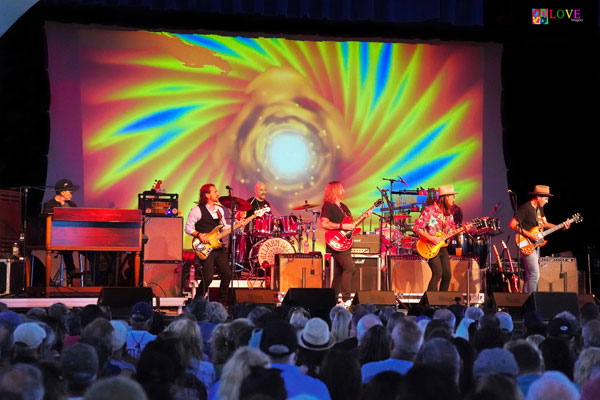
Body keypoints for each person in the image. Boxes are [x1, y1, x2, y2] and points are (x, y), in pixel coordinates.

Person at [509, 185, 570, 293]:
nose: (547, 201)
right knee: (535, 274)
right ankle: (532, 302)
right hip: (525, 242)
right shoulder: (526, 208)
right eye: (546, 198)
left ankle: (526, 301)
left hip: (535, 244)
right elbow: (513, 224)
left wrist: (562, 226)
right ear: (538, 197)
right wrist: (530, 235)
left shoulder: (539, 208)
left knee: (529, 275)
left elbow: (545, 224)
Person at [320, 181, 368, 302]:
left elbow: (351, 226)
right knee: (350, 268)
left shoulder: (344, 207)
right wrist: (341, 226)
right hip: (335, 242)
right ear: (335, 190)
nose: (344, 191)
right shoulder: (328, 206)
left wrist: (364, 217)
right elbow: (324, 223)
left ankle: (331, 298)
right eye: (342, 189)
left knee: (339, 272)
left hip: (345, 242)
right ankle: (347, 298)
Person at [185, 183, 232, 306]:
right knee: (208, 278)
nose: (218, 194)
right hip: (205, 248)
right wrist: (200, 235)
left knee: (227, 274)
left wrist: (236, 224)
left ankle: (222, 304)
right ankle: (197, 304)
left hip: (218, 247)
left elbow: (223, 228)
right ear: (207, 195)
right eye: (215, 191)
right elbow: (188, 228)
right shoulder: (196, 210)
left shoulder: (219, 210)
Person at [413, 185, 459, 292]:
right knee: (437, 273)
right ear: (445, 198)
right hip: (430, 247)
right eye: (452, 196)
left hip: (442, 247)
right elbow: (417, 228)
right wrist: (431, 238)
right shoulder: (429, 211)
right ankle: (429, 302)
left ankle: (441, 302)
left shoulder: (449, 214)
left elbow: (450, 233)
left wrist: (459, 229)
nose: (454, 199)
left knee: (447, 275)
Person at [42, 178, 83, 285]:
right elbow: (47, 223)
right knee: (66, 245)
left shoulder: (72, 205)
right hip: (57, 237)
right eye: (70, 191)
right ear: (62, 192)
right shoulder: (49, 205)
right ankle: (71, 270)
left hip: (74, 237)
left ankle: (96, 277)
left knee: (92, 250)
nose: (72, 194)